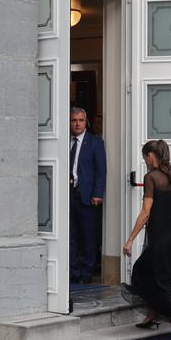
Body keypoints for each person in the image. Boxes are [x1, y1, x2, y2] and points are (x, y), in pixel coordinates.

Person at [122, 140, 171, 340]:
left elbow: (145, 213)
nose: (145, 161)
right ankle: (152, 314)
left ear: (152, 156)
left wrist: (130, 239)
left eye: (145, 157)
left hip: (159, 237)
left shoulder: (151, 178)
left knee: (162, 281)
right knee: (145, 271)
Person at [69, 107, 106, 284]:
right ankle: (73, 271)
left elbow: (101, 170)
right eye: (74, 120)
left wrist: (98, 193)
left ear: (86, 122)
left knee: (88, 236)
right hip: (68, 195)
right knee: (71, 235)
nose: (77, 123)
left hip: (87, 196)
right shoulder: (64, 141)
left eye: (80, 120)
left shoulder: (95, 142)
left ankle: (86, 272)